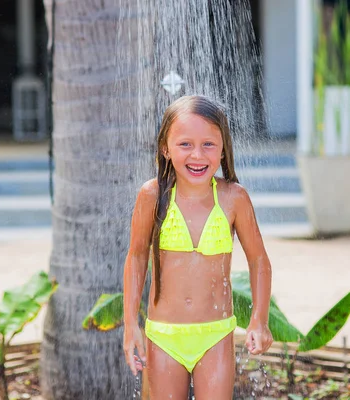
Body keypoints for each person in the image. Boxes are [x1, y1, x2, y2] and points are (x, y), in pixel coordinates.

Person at [123, 95, 273, 399]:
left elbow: (259, 260)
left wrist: (259, 319)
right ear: (165, 149)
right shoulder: (151, 195)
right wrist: (130, 325)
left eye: (208, 144)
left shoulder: (233, 198)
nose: (197, 155)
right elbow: (137, 256)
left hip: (215, 334)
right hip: (164, 335)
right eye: (185, 144)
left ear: (223, 149)